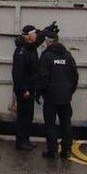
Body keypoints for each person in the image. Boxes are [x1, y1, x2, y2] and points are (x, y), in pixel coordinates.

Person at [11, 22, 55, 150]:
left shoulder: (30, 46)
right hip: (24, 89)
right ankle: (21, 141)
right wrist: (24, 89)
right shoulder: (22, 51)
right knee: (23, 116)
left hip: (30, 88)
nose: (36, 36)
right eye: (34, 34)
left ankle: (25, 139)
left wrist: (47, 30)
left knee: (28, 115)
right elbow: (17, 73)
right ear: (28, 36)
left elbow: (39, 39)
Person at [36, 29, 79, 159]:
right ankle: (66, 150)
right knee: (66, 123)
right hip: (65, 97)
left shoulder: (46, 56)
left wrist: (41, 92)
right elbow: (75, 76)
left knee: (50, 125)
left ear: (49, 42)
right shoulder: (67, 55)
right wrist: (69, 91)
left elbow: (43, 77)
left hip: (50, 96)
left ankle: (52, 150)